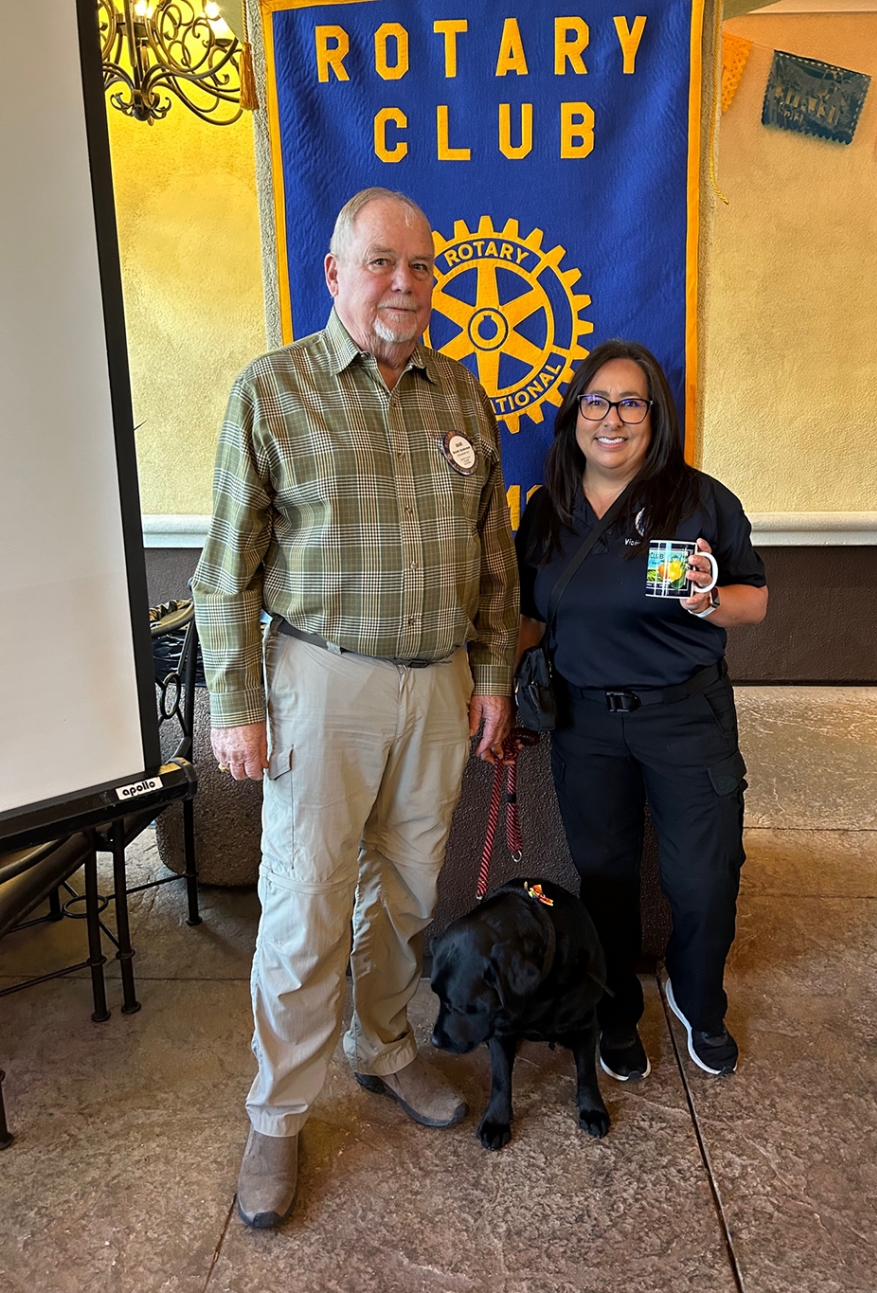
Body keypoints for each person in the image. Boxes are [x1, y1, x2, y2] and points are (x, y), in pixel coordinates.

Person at [193, 188, 518, 1228]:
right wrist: (237, 705)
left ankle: (381, 1047)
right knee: (304, 904)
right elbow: (222, 573)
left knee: (411, 897)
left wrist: (496, 677)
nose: (406, 286)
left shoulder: (464, 399)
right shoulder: (273, 390)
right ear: (333, 273)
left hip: (437, 687)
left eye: (422, 268)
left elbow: (496, 565)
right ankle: (277, 1115)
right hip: (317, 682)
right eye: (382, 263)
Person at [515, 340, 767, 1084]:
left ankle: (698, 998)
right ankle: (616, 1011)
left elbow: (755, 598)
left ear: (656, 417)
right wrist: (482, 672)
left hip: (686, 717)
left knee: (705, 875)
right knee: (605, 876)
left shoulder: (700, 499)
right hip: (586, 722)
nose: (612, 418)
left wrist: (708, 599)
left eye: (631, 402)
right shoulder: (548, 510)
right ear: (575, 416)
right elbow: (530, 618)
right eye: (597, 401)